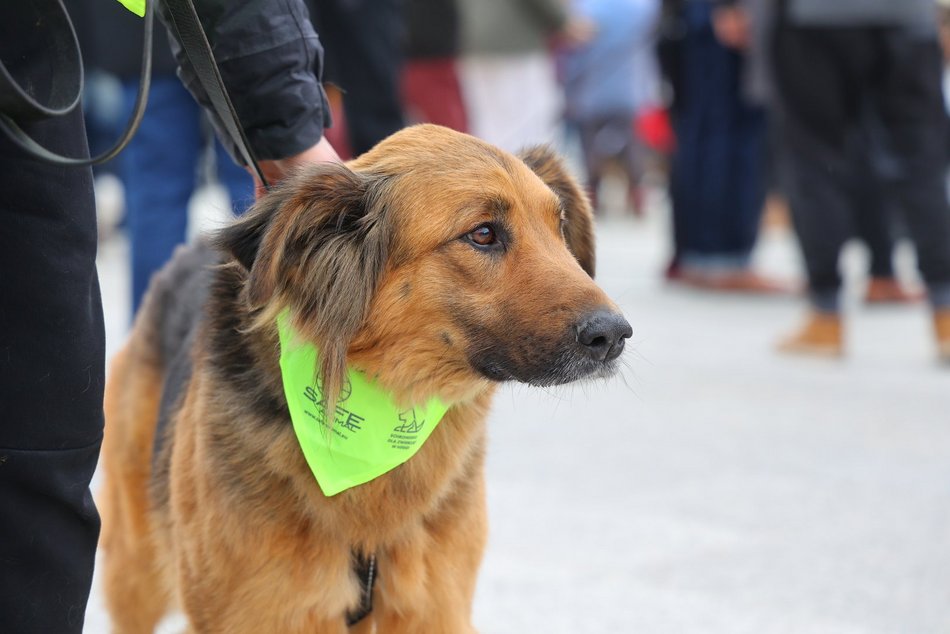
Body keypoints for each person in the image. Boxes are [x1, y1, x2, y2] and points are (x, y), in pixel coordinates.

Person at [0, 2, 337, 631]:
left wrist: (281, 121)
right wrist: (287, 129)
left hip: (54, 67)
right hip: (71, 63)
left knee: (165, 199)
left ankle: (172, 350)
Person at [772, 0, 950, 360]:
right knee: (921, 160)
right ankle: (946, 310)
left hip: (816, 17)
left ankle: (826, 313)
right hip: (907, 14)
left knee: (816, 158)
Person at [560, 0, 662, 215]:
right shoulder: (643, 7)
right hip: (629, 89)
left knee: (590, 146)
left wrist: (568, 89)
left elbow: (575, 55)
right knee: (633, 143)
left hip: (591, 90)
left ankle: (593, 197)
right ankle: (637, 193)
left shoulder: (584, 8)